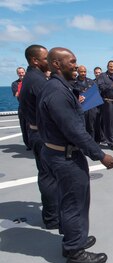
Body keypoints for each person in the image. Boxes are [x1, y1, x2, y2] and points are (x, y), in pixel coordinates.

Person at [38, 47, 113, 263]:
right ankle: (74, 250)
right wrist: (101, 155)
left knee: (68, 200)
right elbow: (74, 130)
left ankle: (74, 238)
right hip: (66, 156)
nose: (75, 65)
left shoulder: (58, 87)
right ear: (56, 64)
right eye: (71, 62)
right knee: (75, 202)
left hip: (56, 152)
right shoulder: (57, 92)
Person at [19, 44, 59, 229]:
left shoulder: (32, 78)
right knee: (49, 177)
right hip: (43, 136)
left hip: (36, 131)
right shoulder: (38, 81)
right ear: (35, 60)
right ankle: (52, 218)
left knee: (46, 175)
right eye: (46, 59)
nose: (49, 62)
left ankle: (51, 214)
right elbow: (54, 109)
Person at [73, 65, 98, 140]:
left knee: (91, 127)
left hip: (91, 108)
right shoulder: (74, 82)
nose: (83, 73)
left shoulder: (91, 81)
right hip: (80, 108)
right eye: (81, 72)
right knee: (82, 127)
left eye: (84, 72)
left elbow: (96, 93)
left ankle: (92, 143)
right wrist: (77, 98)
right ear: (78, 72)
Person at [11, 67, 31, 150]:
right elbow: (16, 94)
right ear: (17, 74)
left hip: (31, 108)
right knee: (24, 127)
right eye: (19, 73)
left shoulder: (30, 82)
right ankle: (28, 145)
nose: (21, 74)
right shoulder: (15, 84)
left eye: (22, 72)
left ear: (25, 72)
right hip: (23, 108)